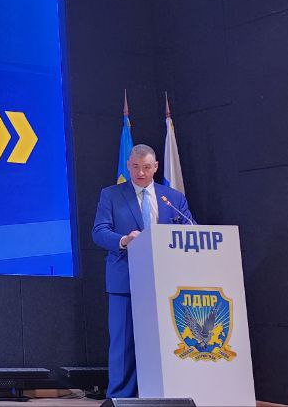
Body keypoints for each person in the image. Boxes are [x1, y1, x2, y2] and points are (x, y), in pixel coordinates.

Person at [91, 144, 194, 398]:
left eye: (146, 167)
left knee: (168, 341)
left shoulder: (173, 198)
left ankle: (165, 394)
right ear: (128, 166)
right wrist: (123, 240)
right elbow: (99, 232)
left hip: (167, 283)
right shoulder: (111, 195)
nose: (140, 173)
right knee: (123, 344)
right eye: (135, 167)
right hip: (125, 279)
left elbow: (191, 230)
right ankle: (119, 398)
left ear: (156, 167)